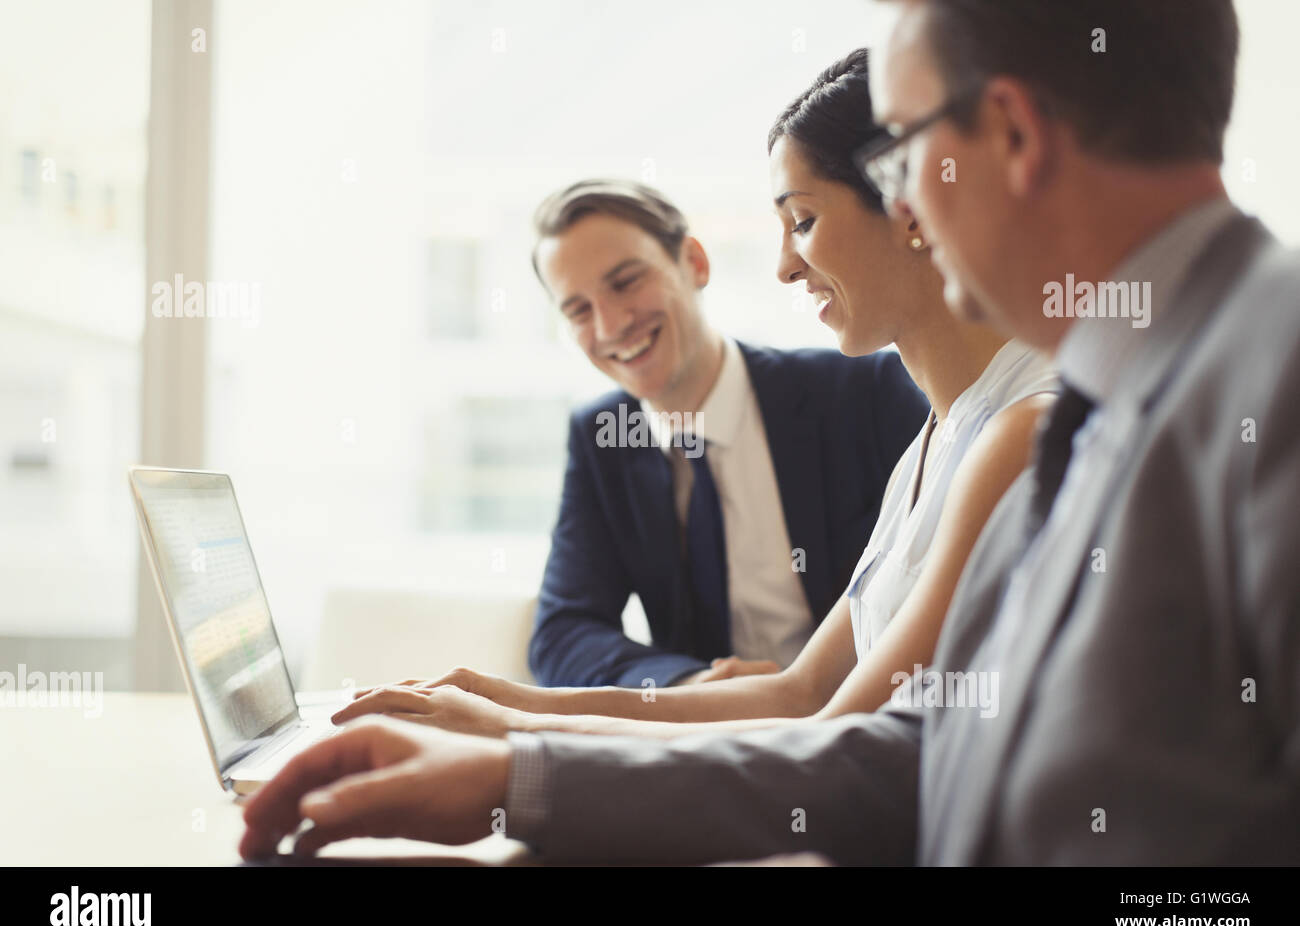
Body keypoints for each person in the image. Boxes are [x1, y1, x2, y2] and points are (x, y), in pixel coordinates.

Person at [242, 0, 1300, 865]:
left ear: (1013, 136)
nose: (905, 217)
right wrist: (513, 766)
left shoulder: (1265, 378)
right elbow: (917, 753)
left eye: (901, 160)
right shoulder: (1099, 400)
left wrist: (517, 761)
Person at [332, 49, 1057, 741]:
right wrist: (506, 701)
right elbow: (801, 696)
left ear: (910, 207)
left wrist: (520, 737)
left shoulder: (960, 418)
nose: (783, 266)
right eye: (576, 309)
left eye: (802, 221)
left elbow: (831, 738)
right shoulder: (932, 444)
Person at [523, 180, 929, 688]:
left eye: (625, 282)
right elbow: (563, 634)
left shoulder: (863, 393)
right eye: (578, 310)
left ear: (694, 262)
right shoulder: (603, 437)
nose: (609, 326)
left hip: (863, 718)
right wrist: (691, 687)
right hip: (714, 739)